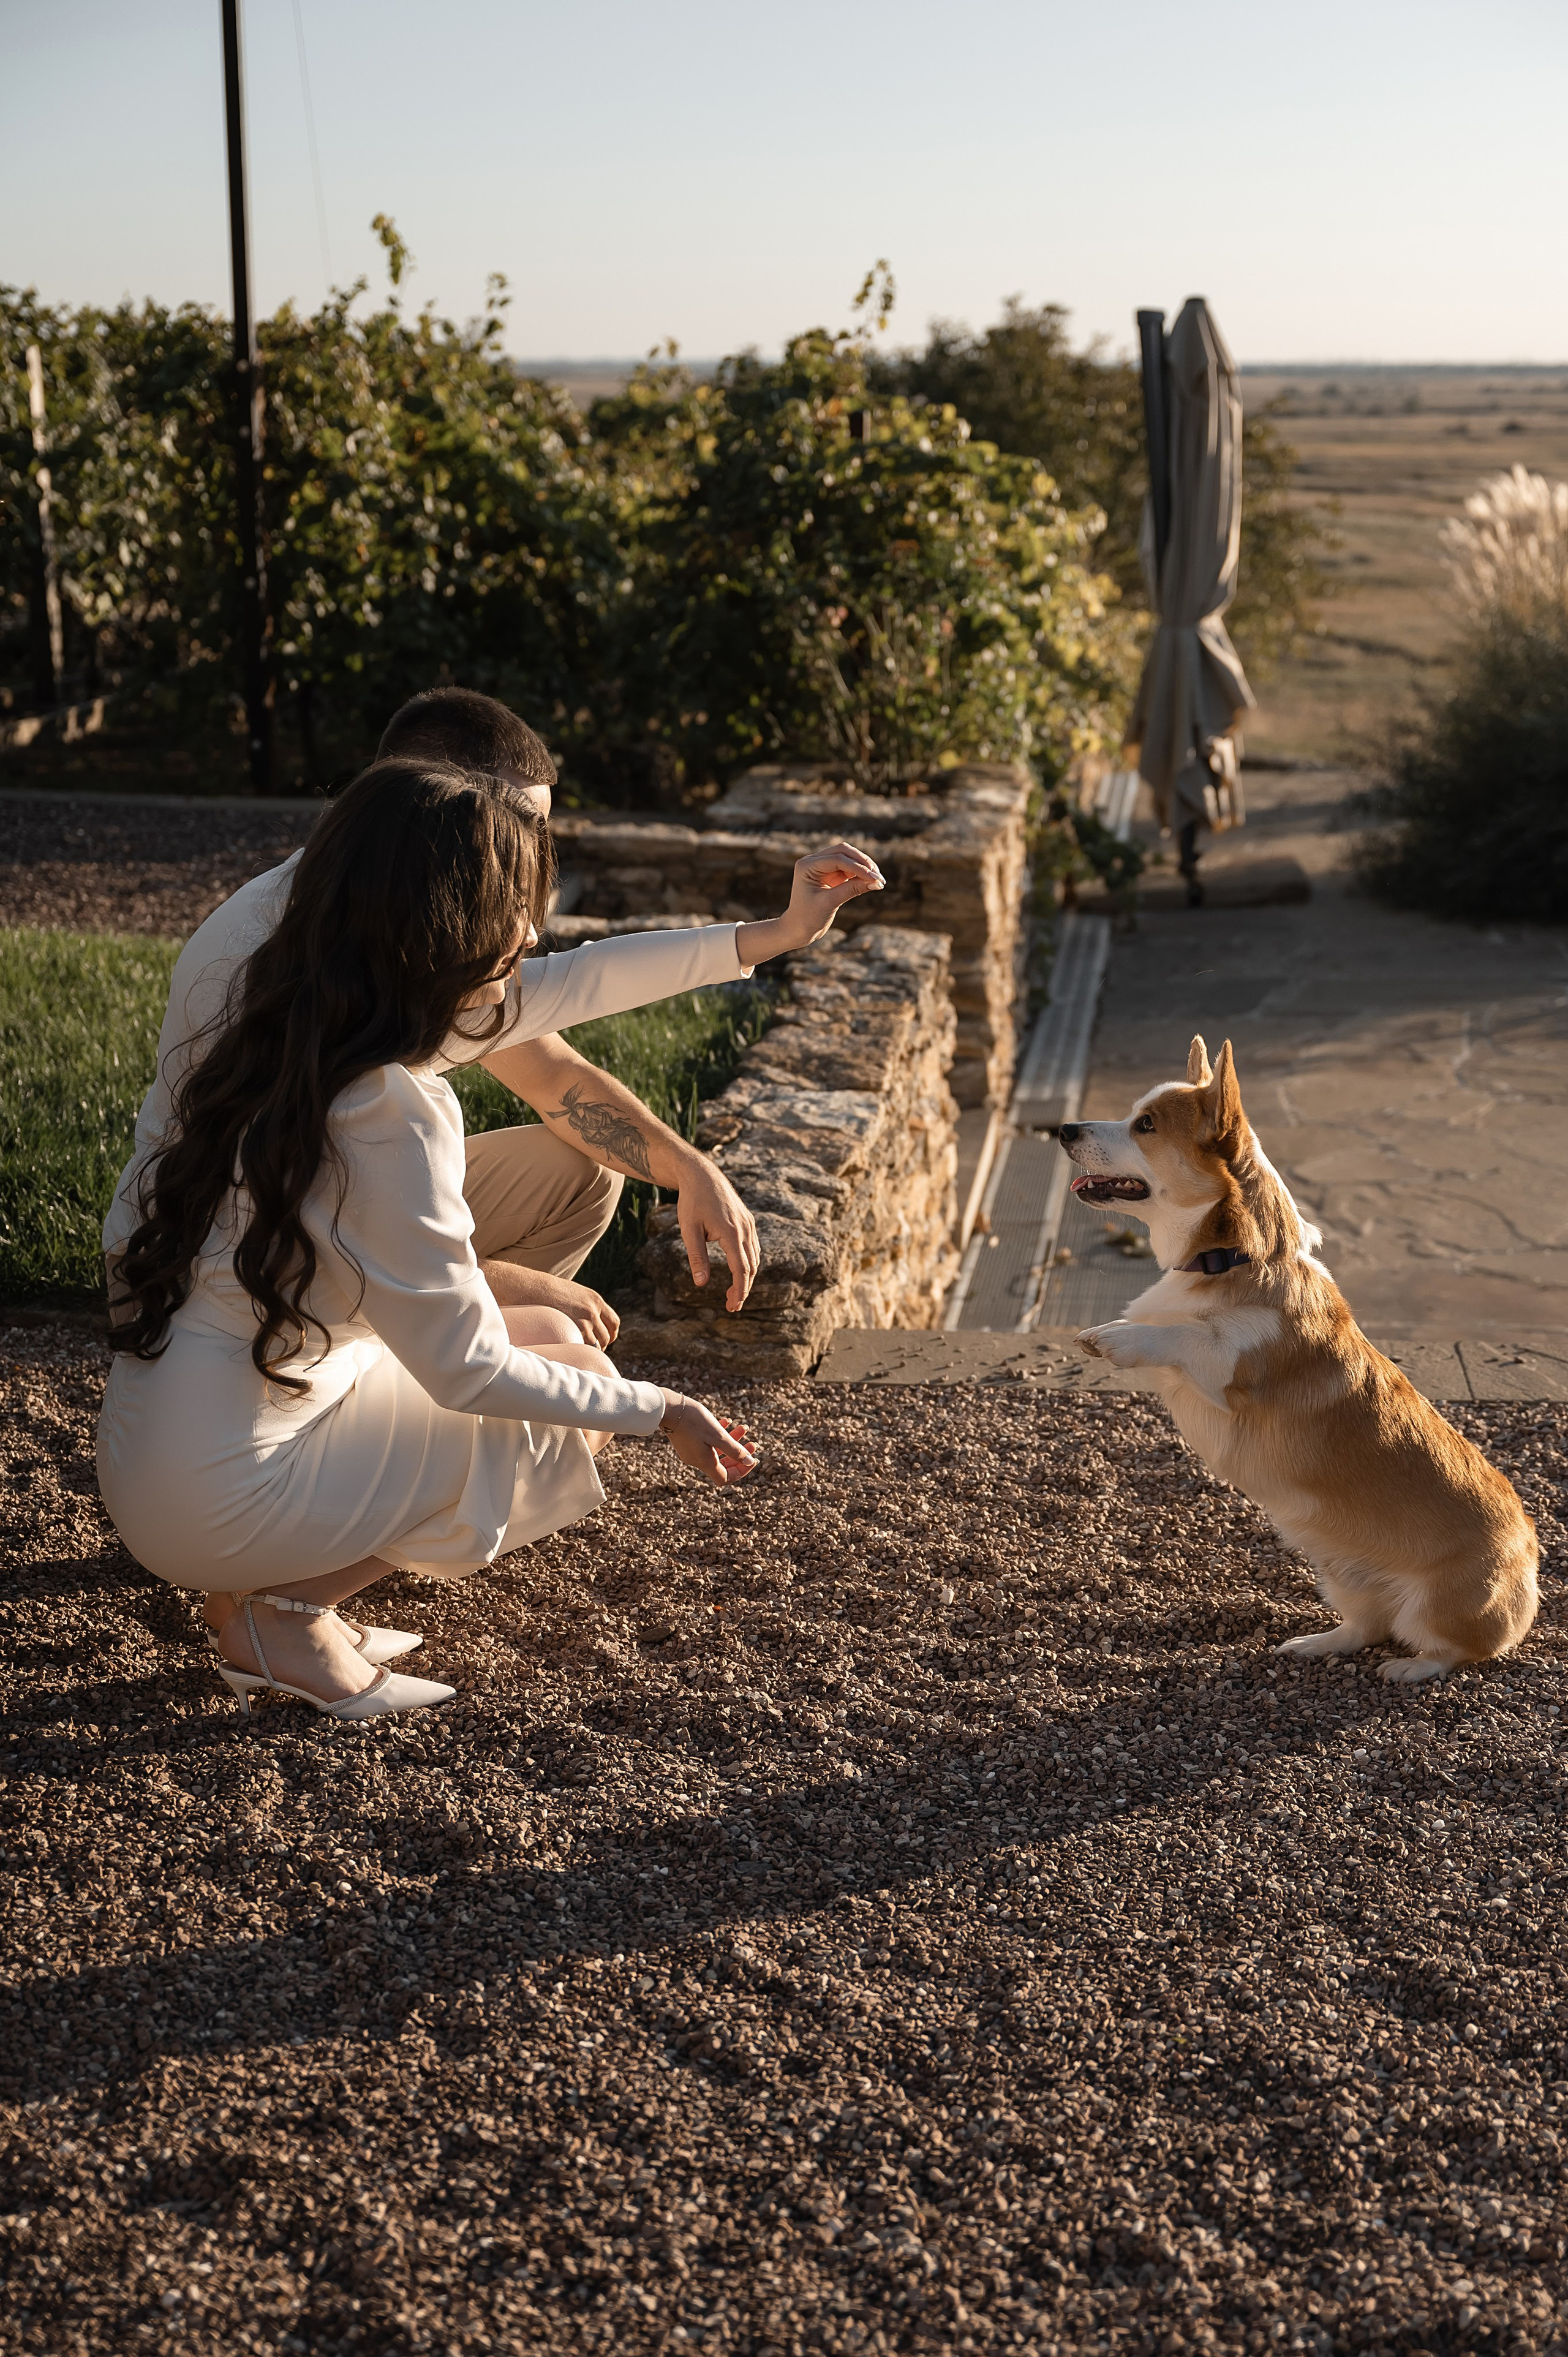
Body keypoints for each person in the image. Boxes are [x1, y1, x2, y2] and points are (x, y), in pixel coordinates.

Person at [98, 760, 881, 1722]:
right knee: (567, 1398)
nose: (530, 934)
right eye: (510, 906)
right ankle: (282, 1614)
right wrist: (661, 1408)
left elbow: (582, 979)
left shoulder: (303, 998)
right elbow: (467, 1376)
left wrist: (777, 934)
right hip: (216, 1496)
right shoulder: (387, 1110)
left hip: (166, 1450)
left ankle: (275, 1598)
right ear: (438, 917)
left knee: (556, 1349)